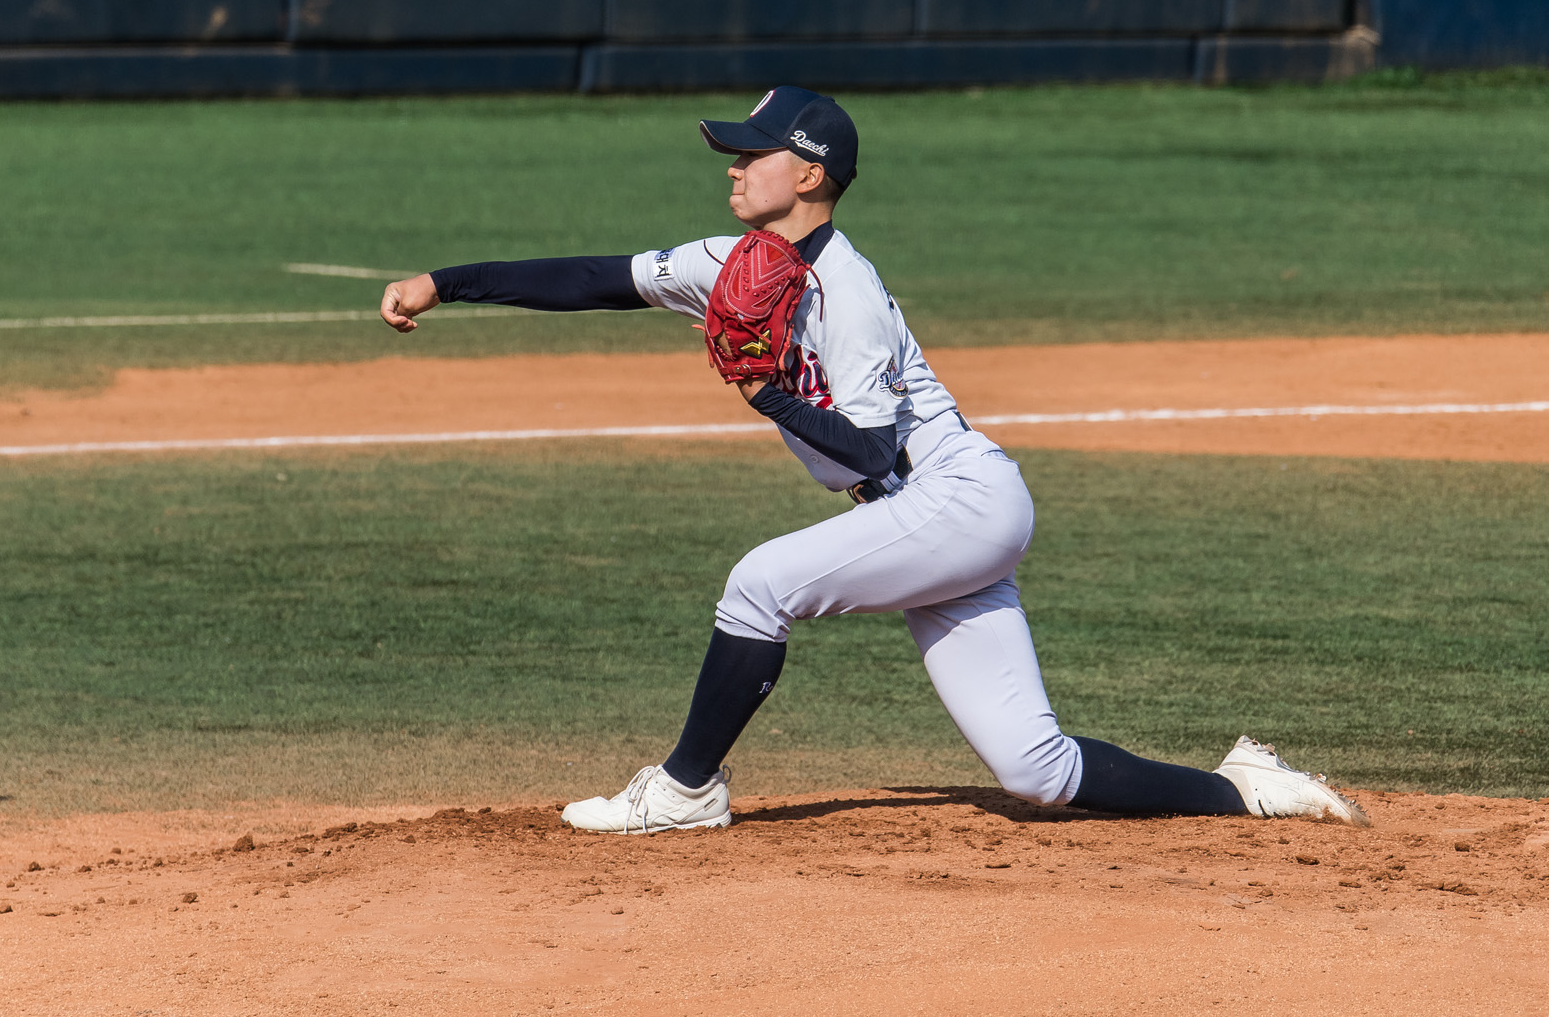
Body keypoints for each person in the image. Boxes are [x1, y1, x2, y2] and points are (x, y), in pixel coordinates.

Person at [379, 87, 1367, 834]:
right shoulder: (729, 266)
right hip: (917, 518)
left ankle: (685, 789)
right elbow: (598, 278)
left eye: (750, 153)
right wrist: (443, 282)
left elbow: (875, 448)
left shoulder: (847, 293)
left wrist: (765, 392)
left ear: (806, 174)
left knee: (758, 584)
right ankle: (1242, 786)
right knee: (1037, 771)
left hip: (953, 497)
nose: (730, 165)